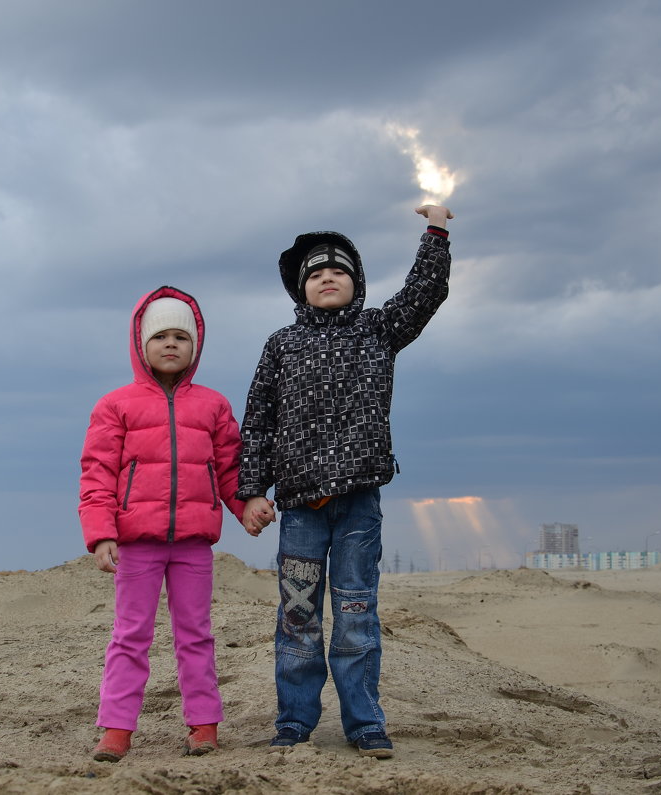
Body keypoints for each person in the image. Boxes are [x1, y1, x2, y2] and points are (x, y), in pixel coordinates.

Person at [238, 204, 454, 758]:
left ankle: (364, 722)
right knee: (298, 617)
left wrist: (436, 232)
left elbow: (423, 295)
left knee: (357, 616)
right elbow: (258, 421)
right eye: (314, 273)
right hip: (301, 510)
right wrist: (252, 492)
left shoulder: (377, 330)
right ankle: (294, 721)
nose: (326, 277)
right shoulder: (281, 345)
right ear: (300, 289)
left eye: (338, 271)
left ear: (355, 284)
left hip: (359, 505)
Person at [79, 286, 261, 762]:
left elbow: (229, 469)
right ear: (142, 344)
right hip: (136, 543)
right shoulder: (115, 405)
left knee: (195, 634)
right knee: (130, 635)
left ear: (195, 346)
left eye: (182, 335)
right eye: (161, 336)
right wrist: (101, 534)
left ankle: (204, 726)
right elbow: (97, 473)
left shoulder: (214, 406)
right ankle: (116, 730)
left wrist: (246, 508)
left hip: (194, 545)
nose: (171, 344)